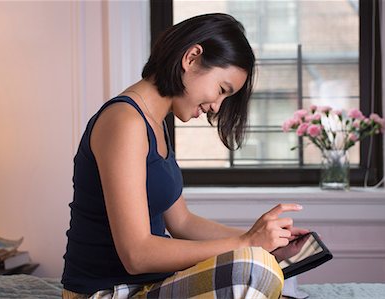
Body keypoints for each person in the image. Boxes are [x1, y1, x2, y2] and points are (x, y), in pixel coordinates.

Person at [62, 13, 308, 299]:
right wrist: (247, 244)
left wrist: (260, 241)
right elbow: (136, 254)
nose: (217, 106)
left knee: (269, 266)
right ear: (191, 58)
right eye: (221, 90)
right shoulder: (124, 122)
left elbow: (182, 223)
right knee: (256, 268)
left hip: (144, 287)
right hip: (108, 293)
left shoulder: (156, 125)